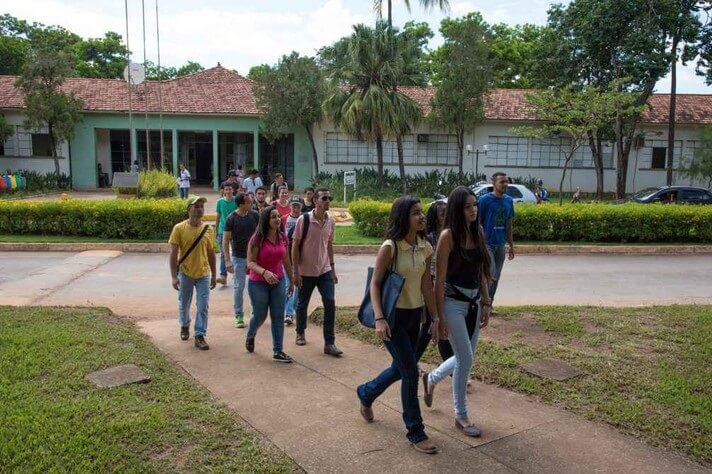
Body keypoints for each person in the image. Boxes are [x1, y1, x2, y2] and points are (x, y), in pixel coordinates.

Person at [356, 196, 440, 454]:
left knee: (400, 368)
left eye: (421, 212)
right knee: (411, 372)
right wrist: (380, 318)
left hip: (416, 316)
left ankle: (366, 393)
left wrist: (435, 318)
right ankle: (415, 431)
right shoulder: (390, 247)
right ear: (403, 216)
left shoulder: (426, 246)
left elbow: (427, 285)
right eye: (415, 213)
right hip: (393, 318)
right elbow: (375, 284)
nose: (422, 217)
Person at [422, 186, 492, 438]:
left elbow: (481, 271)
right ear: (456, 209)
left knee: (467, 355)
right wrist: (438, 317)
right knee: (466, 359)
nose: (473, 210)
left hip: (474, 303)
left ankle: (431, 377)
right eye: (467, 206)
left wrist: (486, 302)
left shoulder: (479, 232)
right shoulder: (447, 236)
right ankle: (461, 415)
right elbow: (438, 281)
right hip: (452, 304)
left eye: (474, 205)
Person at [291, 187, 342, 356]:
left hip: (324, 270)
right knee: (302, 303)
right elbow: (295, 246)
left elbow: (329, 245)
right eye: (324, 198)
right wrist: (296, 271)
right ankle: (300, 332)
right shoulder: (304, 220)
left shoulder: (331, 221)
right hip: (305, 271)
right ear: (315, 201)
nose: (328, 201)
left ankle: (329, 343)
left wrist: (333, 269)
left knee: (330, 302)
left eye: (329, 198)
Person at [245, 206, 295, 363]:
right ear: (266, 220)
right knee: (260, 315)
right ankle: (251, 334)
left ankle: (278, 351)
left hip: (279, 281)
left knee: (278, 316)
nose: (277, 219)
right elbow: (250, 263)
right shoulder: (257, 239)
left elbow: (286, 260)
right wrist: (264, 272)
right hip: (258, 283)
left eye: (278, 216)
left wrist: (292, 280)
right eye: (273, 217)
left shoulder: (282, 237)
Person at [169, 195, 217, 350]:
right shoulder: (179, 228)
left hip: (203, 274)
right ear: (188, 209)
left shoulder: (208, 229)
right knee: (184, 303)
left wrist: (214, 275)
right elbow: (173, 253)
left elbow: (211, 253)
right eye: (196, 206)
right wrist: (173, 276)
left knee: (203, 306)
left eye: (202, 206)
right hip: (185, 273)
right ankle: (184, 324)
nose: (200, 209)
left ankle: (200, 334)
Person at [478, 172, 515, 311]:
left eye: (506, 181)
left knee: (496, 276)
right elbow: (478, 222)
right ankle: (482, 304)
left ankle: (489, 305)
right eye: (502, 182)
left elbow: (509, 224)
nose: (505, 184)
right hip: (486, 244)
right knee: (490, 274)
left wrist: (511, 245)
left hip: (500, 245)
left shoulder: (508, 201)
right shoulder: (484, 200)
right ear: (494, 183)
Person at [223, 192, 260, 329]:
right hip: (238, 258)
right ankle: (238, 314)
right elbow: (225, 241)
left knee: (255, 285)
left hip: (254, 257)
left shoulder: (255, 215)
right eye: (249, 202)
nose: (251, 203)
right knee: (239, 287)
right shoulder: (231, 218)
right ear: (241, 204)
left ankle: (255, 311)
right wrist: (227, 260)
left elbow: (259, 235)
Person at [282, 195, 303, 326]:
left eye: (298, 206)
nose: (295, 208)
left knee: (299, 285)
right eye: (294, 206)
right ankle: (288, 313)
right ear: (290, 206)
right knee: (288, 284)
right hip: (287, 256)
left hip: (301, 256)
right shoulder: (284, 219)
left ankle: (294, 308)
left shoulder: (304, 219)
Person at [215, 183, 237, 285]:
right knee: (224, 254)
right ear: (223, 191)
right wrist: (216, 231)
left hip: (235, 231)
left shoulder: (237, 201)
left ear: (233, 190)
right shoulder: (219, 202)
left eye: (230, 189)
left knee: (236, 253)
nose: (228, 191)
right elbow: (218, 217)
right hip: (222, 231)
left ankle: (236, 274)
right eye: (226, 189)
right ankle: (223, 276)